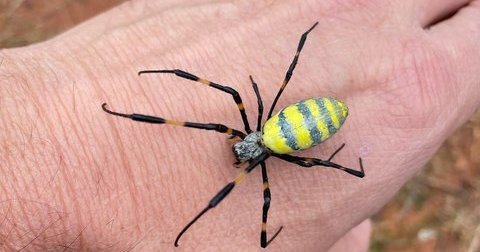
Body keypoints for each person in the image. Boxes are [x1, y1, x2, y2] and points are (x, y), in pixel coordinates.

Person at [0, 1, 479, 251]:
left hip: (302, 125)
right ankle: (130, 118)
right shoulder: (257, 135)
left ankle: (192, 221)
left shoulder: (255, 142)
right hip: (292, 127)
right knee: (230, 115)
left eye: (246, 149)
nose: (242, 152)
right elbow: (205, 106)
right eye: (246, 148)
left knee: (223, 120)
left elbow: (202, 112)